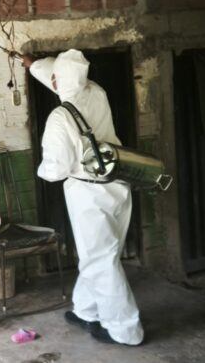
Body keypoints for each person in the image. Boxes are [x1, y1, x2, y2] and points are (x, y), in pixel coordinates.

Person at [22, 49, 144, 346]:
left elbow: (55, 170)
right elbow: (60, 79)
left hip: (88, 192)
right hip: (117, 182)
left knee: (99, 260)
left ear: (58, 80)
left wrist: (40, 168)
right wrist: (31, 64)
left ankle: (125, 330)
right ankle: (86, 310)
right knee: (103, 254)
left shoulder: (59, 118)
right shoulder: (96, 92)